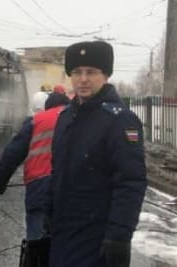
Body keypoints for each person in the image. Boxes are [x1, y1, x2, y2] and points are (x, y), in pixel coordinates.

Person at [45, 41, 147, 267]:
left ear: (106, 75)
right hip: (63, 232)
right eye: (76, 72)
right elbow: (58, 170)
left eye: (91, 72)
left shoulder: (120, 121)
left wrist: (119, 236)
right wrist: (49, 211)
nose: (83, 79)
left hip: (98, 238)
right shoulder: (65, 117)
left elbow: (131, 181)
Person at [0, 87, 70, 267]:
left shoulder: (37, 120)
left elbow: (12, 153)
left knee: (38, 244)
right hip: (72, 191)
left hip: (40, 188)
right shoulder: (82, 119)